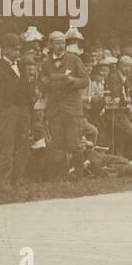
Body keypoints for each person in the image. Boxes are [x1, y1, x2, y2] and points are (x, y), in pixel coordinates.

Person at [40, 29, 90, 178]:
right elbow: (41, 83)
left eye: (63, 42)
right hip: (55, 109)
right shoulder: (46, 63)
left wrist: (72, 81)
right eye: (57, 43)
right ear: (50, 45)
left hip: (71, 109)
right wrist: (44, 82)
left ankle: (79, 176)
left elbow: (85, 81)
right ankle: (61, 176)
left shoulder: (74, 59)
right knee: (58, 145)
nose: (61, 46)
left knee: (74, 144)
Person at [0, 33, 33, 183]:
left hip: (23, 110)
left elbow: (27, 89)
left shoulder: (20, 66)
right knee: (7, 145)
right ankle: (3, 180)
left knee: (23, 144)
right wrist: (2, 106)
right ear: (5, 50)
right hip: (8, 111)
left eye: (19, 49)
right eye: (14, 49)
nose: (18, 53)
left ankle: (17, 179)